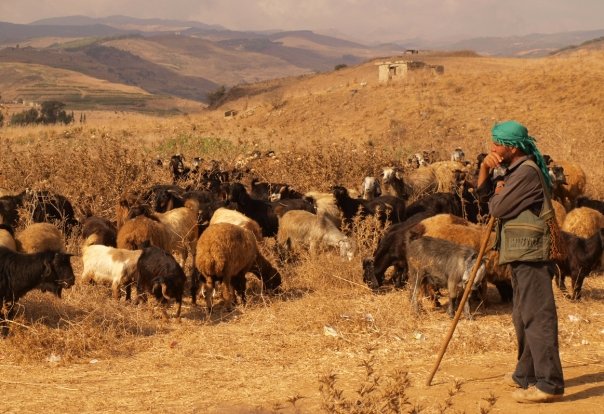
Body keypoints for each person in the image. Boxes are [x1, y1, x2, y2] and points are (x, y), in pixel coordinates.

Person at [477, 120, 564, 403]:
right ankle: (526, 374)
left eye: (497, 144)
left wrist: (497, 191)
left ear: (512, 148)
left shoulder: (526, 172)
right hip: (520, 252)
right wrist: (485, 170)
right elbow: (484, 198)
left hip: (532, 254)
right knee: (522, 315)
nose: (493, 148)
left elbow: (497, 208)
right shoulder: (514, 171)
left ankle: (549, 384)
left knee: (537, 316)